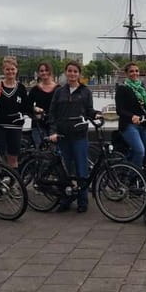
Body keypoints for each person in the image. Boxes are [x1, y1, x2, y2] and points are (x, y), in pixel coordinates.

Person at [48, 61, 101, 213]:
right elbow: (52, 113)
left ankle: (82, 201)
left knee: (81, 169)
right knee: (65, 169)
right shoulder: (59, 92)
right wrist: (53, 131)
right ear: (66, 73)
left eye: (75, 71)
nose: (72, 74)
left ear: (79, 74)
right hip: (63, 135)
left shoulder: (85, 92)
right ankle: (66, 199)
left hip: (79, 136)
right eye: (70, 71)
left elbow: (89, 110)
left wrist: (96, 114)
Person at [0, 56, 29, 168]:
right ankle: (1, 178)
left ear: (16, 70)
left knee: (13, 155)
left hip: (15, 126)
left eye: (12, 69)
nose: (10, 72)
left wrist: (34, 110)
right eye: (7, 69)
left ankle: (14, 180)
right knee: (0, 154)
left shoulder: (21, 88)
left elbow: (26, 105)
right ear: (3, 70)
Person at [115, 62, 146, 167]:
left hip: (142, 124)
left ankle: (125, 167)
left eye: (137, 71)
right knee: (139, 151)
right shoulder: (122, 88)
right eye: (131, 71)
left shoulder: (141, 88)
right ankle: (133, 178)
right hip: (129, 125)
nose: (135, 73)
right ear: (126, 73)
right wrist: (132, 116)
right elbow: (120, 110)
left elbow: (145, 106)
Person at [27, 62, 59, 149]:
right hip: (39, 125)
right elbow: (27, 106)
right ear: (38, 73)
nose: (44, 73)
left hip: (54, 125)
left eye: (46, 70)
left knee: (55, 152)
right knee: (41, 152)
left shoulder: (59, 89)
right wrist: (34, 109)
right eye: (41, 71)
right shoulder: (35, 89)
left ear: (50, 72)